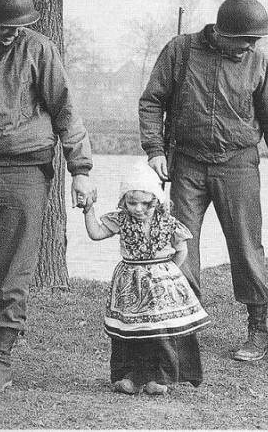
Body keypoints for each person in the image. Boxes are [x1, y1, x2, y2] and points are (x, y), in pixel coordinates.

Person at [139, 0, 268, 362]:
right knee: (181, 245)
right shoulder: (180, 51)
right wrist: (155, 150)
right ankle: (185, 326)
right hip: (187, 164)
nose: (252, 46)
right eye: (246, 39)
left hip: (239, 164)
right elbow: (152, 101)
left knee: (245, 246)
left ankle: (258, 329)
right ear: (223, 33)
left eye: (256, 40)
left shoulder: (259, 64)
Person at [0, 0, 96, 393]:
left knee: (13, 266)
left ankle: (1, 355)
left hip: (26, 169)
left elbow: (66, 111)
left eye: (21, 24)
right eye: (5, 26)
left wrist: (81, 170)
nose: (14, 31)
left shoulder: (39, 49)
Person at [82, 163, 210, 394]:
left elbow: (181, 250)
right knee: (130, 332)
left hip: (161, 283)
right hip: (130, 283)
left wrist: (169, 273)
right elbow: (96, 233)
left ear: (156, 201)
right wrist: (88, 209)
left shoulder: (169, 223)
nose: (139, 209)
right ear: (124, 201)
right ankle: (130, 376)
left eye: (146, 204)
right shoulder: (121, 220)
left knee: (162, 330)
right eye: (132, 203)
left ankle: (162, 378)